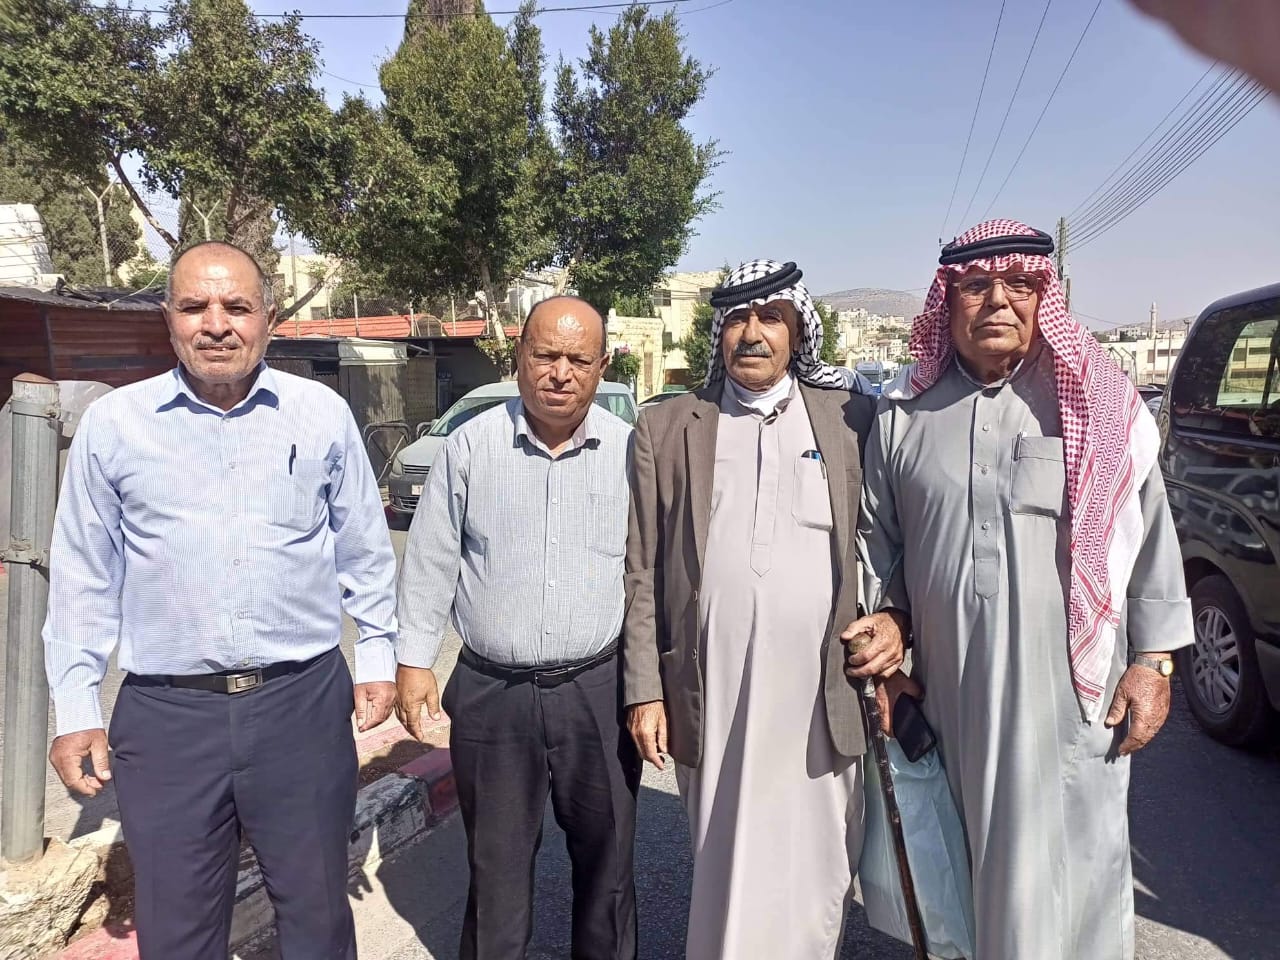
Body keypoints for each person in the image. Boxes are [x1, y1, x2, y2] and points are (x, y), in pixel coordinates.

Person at [43, 240, 398, 960]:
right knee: (177, 931)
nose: (216, 324)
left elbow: (365, 549)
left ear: (268, 316)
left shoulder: (320, 414)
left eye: (236, 306)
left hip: (301, 707)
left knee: (318, 917)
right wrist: (75, 708)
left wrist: (378, 658)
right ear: (167, 319)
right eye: (193, 306)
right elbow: (83, 576)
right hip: (168, 720)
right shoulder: (116, 425)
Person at [854, 219, 1193, 960]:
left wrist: (1154, 662)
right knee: (956, 867)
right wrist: (890, 640)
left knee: (1071, 876)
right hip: (947, 694)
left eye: (1019, 284)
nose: (998, 301)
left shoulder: (1096, 404)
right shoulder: (903, 413)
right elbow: (879, 546)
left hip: (1068, 700)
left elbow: (1148, 540)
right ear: (948, 303)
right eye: (976, 286)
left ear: (1046, 296)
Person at [623, 260, 903, 959]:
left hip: (821, 690)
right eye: (738, 319)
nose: (753, 333)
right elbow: (642, 570)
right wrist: (645, 689)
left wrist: (896, 624)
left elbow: (891, 542)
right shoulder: (667, 427)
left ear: (798, 330)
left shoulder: (851, 419)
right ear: (719, 332)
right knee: (725, 855)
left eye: (771, 317)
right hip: (714, 688)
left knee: (818, 864)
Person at [395, 296, 639, 960]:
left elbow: (648, 576)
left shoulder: (630, 452)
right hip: (492, 695)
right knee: (496, 870)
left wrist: (655, 686)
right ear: (519, 356)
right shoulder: (469, 446)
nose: (560, 372)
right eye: (545, 354)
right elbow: (431, 559)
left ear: (602, 365)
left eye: (578, 359)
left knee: (609, 869)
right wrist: (413, 661)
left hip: (598, 691)